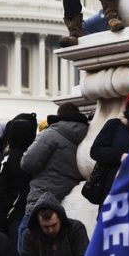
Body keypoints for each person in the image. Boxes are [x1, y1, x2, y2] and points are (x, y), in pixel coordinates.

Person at [20, 103, 87, 246]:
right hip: (71, 193)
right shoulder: (88, 134)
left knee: (25, 240)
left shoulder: (51, 133)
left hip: (42, 195)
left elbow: (27, 163)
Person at [20, 192, 89, 256]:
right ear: (38, 223)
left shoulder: (76, 229)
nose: (51, 230)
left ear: (60, 218)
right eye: (46, 227)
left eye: (54, 225)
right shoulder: (29, 235)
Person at [88, 87, 129, 202]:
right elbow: (95, 151)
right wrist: (120, 156)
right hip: (115, 189)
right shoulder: (115, 125)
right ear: (128, 104)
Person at [0, 114, 36, 242]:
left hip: (13, 215)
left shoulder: (6, 159)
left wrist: (0, 219)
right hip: (33, 210)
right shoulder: (35, 157)